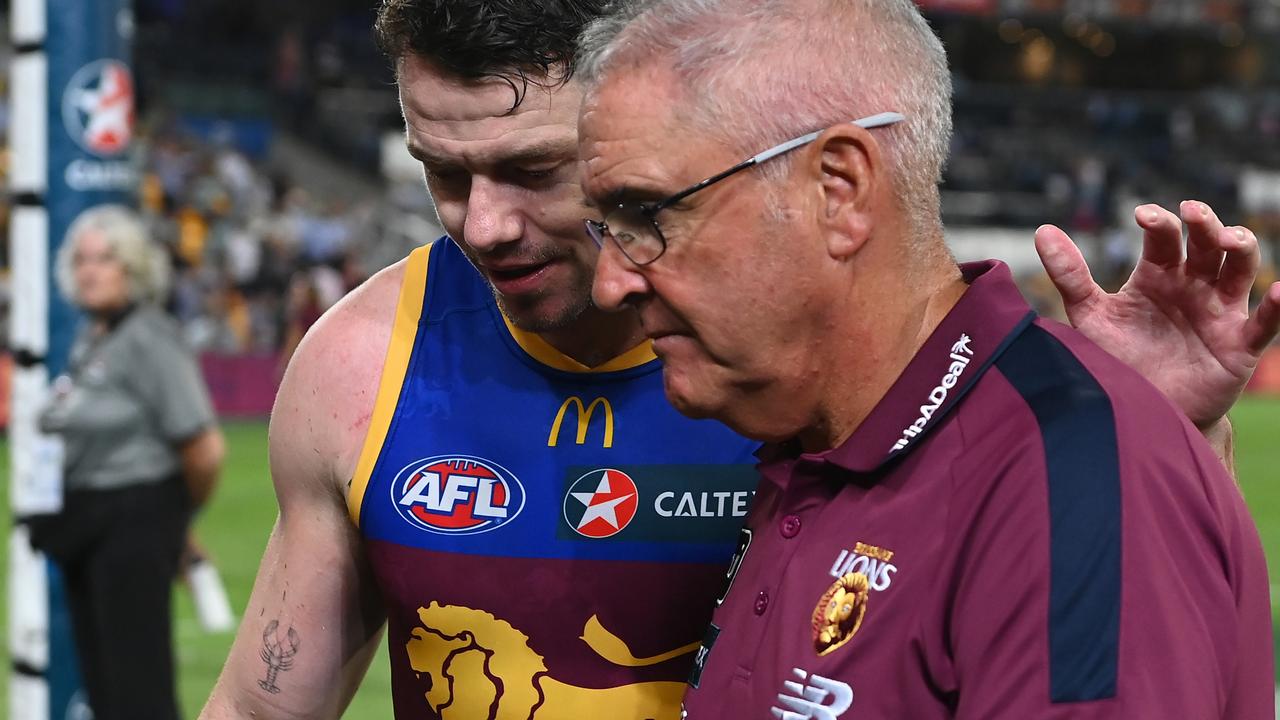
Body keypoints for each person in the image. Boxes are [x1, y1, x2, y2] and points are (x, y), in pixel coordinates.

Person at [200, 3, 1280, 719]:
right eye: (439, 173)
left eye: (596, 192)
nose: (481, 226)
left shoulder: (821, 397)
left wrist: (1135, 437)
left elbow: (1094, 568)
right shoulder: (361, 362)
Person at [576, 1, 1275, 717]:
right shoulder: (815, 441)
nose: (610, 283)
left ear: (838, 192)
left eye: (651, 215)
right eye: (608, 227)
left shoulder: (1062, 473)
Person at [34, 204, 225, 720]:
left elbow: (204, 448)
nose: (89, 270)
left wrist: (173, 520)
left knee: (138, 690)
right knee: (105, 687)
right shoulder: (92, 337)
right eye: (81, 260)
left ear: (134, 267)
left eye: (105, 258)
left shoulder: (150, 335)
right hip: (88, 530)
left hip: (133, 527)